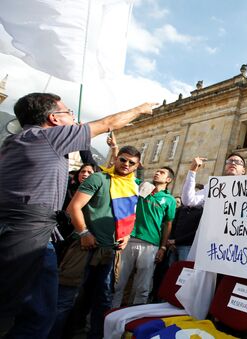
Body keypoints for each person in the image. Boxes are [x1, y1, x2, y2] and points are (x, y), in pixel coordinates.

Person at [0, 92, 154, 337]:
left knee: (31, 308)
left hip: (24, 231)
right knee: (31, 312)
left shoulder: (16, 140)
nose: (74, 116)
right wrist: (141, 108)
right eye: (69, 112)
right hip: (30, 235)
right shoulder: (49, 138)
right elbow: (107, 124)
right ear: (54, 119)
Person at [50, 146, 141, 339]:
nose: (126, 165)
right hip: (84, 247)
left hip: (109, 252)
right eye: (123, 160)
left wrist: (126, 235)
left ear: (137, 165)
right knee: (66, 298)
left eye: (131, 162)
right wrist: (83, 232)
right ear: (116, 159)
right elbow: (73, 207)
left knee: (102, 301)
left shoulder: (133, 186)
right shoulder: (98, 178)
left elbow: (129, 217)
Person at [112, 167, 178, 307]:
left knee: (142, 287)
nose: (157, 172)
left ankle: (134, 317)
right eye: (157, 170)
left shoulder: (169, 200)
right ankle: (111, 314)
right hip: (129, 240)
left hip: (151, 245)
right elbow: (128, 174)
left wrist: (163, 247)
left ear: (168, 180)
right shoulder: (143, 187)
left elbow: (168, 224)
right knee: (118, 283)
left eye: (162, 172)